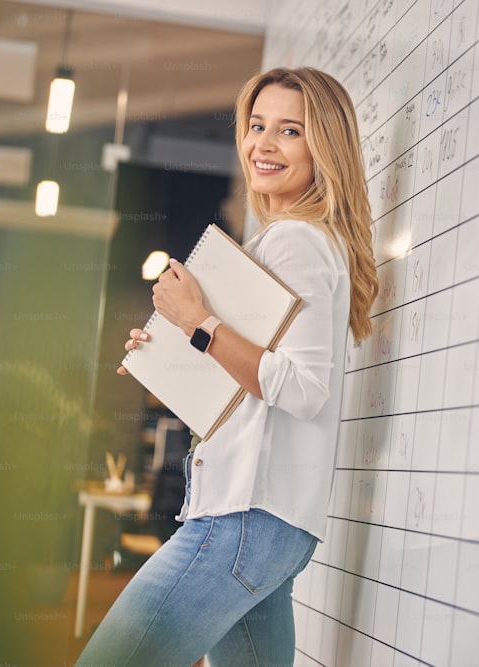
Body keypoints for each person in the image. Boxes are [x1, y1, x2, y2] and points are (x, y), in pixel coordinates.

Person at [76, 67, 378, 667]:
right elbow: (254, 383)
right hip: (270, 526)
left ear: (326, 146)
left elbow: (305, 389)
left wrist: (198, 324)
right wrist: (169, 351)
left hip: (245, 519)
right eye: (256, 126)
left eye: (289, 131)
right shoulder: (286, 243)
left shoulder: (296, 241)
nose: (263, 145)